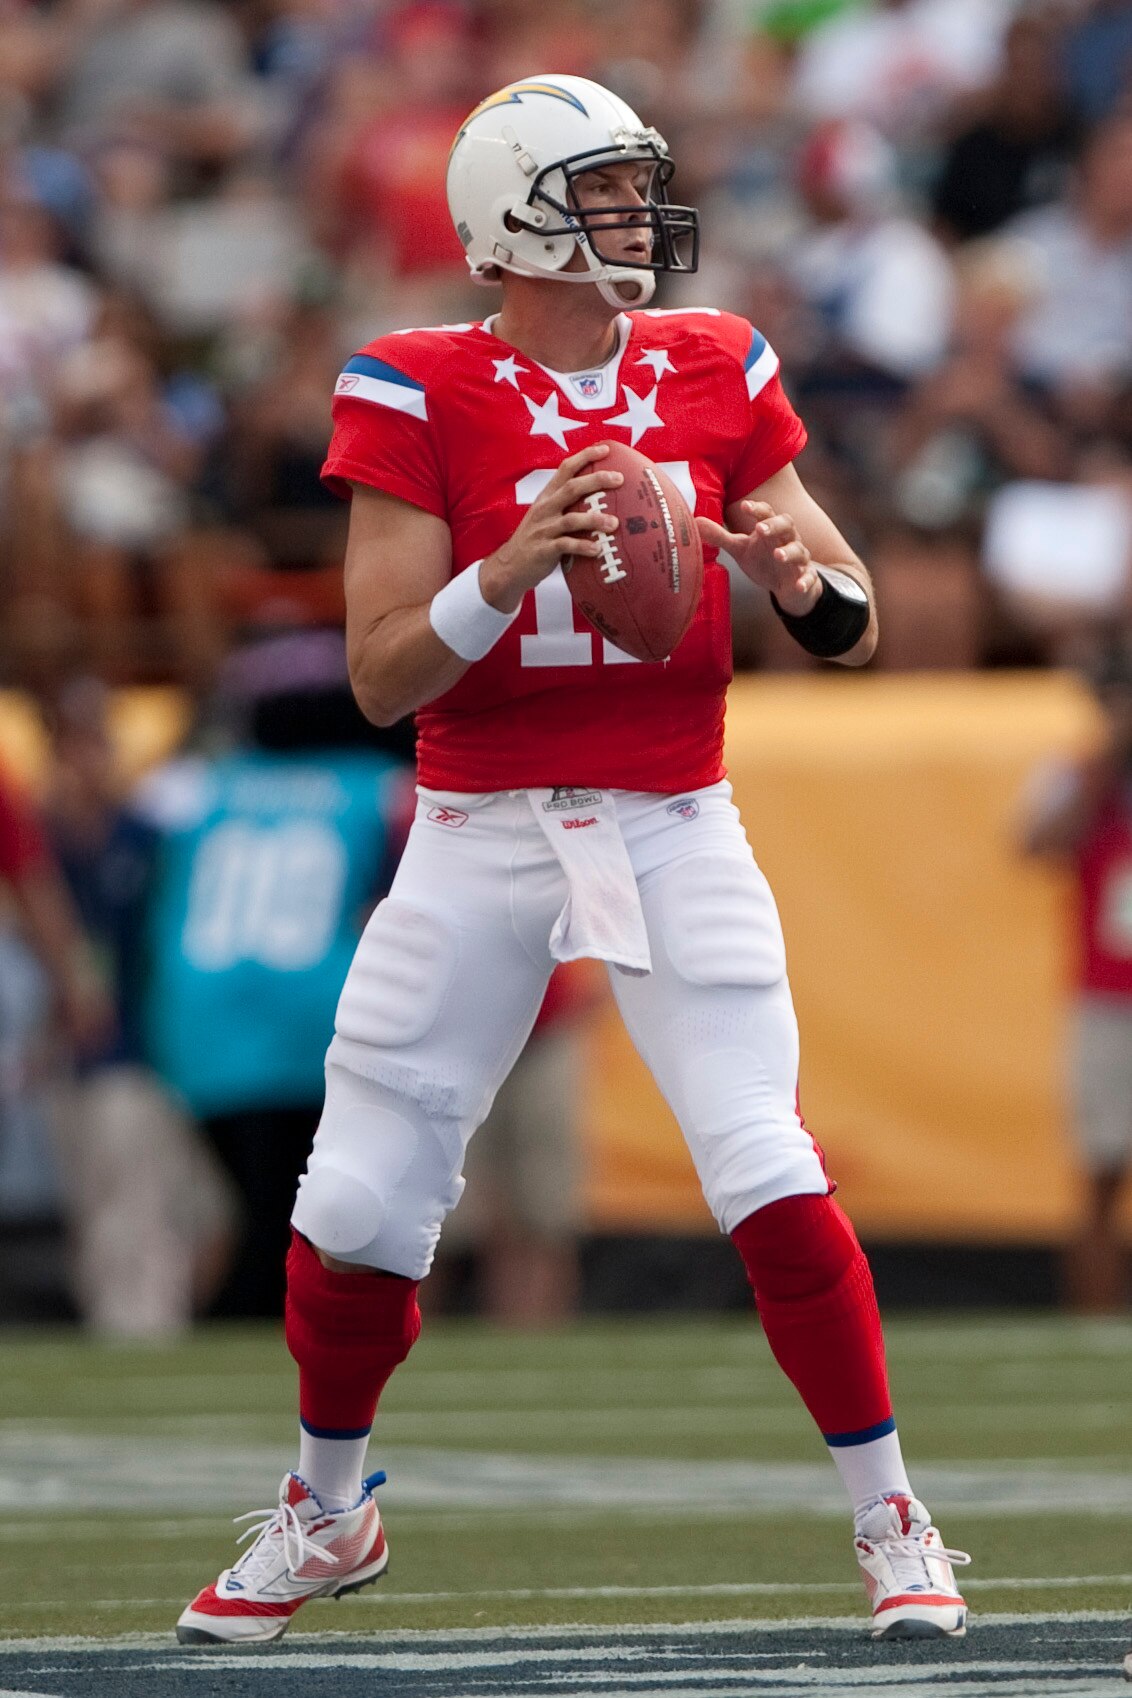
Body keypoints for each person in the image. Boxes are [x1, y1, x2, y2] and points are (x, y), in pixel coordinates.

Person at [177, 73, 970, 1646]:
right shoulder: (411, 384)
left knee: (765, 1158)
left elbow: (856, 614)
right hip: (480, 825)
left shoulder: (714, 363)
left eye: (630, 190)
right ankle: (328, 1511)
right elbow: (384, 672)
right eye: (601, 193)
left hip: (674, 811)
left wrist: (802, 587)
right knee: (357, 1200)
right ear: (512, 224)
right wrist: (507, 566)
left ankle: (891, 1512)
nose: (634, 218)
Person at [1022, 640, 1132, 1313]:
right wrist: (1106, 765)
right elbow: (1036, 842)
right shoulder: (1082, 775)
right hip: (1108, 999)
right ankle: (1096, 1321)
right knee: (1101, 1169)